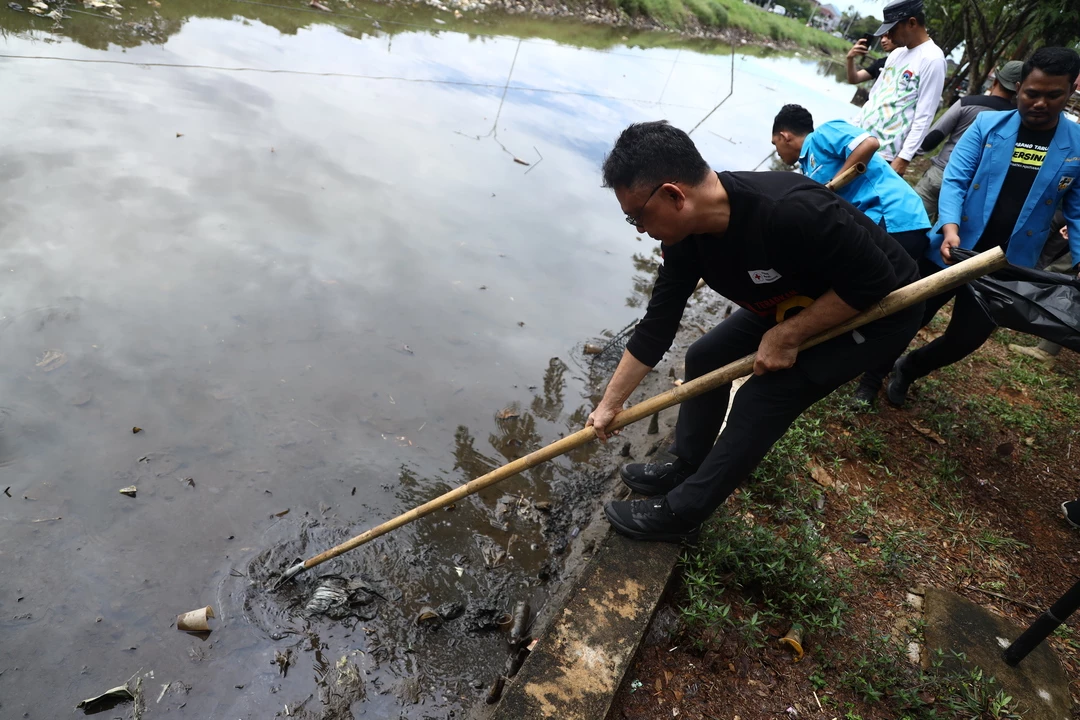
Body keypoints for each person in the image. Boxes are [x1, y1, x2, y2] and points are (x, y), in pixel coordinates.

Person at [588, 121, 923, 542]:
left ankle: (681, 515)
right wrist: (610, 404)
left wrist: (789, 335)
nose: (638, 228)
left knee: (764, 396)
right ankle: (687, 464)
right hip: (793, 299)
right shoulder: (684, 240)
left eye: (637, 216)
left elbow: (874, 282)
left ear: (674, 195)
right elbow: (658, 323)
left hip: (875, 308)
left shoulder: (789, 209)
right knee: (706, 356)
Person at [887, 47, 1080, 407]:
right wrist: (949, 226)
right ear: (1019, 87)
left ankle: (910, 368)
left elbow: (1079, 210)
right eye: (1032, 93)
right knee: (909, 314)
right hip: (953, 245)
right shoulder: (987, 126)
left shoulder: (1076, 146)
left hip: (1008, 263)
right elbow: (956, 180)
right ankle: (870, 376)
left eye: (1053, 95)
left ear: (1069, 92)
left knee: (965, 340)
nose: (1040, 103)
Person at [770, 105, 931, 406]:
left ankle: (865, 379)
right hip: (870, 230)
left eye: (775, 144)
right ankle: (848, 368)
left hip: (892, 219)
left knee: (887, 306)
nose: (777, 151)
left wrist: (828, 193)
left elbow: (868, 144)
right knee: (872, 303)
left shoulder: (824, 133)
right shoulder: (807, 170)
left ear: (784, 135)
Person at [914, 61, 1023, 223]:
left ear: (995, 81)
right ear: (1019, 90)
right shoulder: (1017, 120)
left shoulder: (967, 103)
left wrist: (910, 155)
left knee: (908, 217)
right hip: (973, 186)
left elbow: (935, 135)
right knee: (945, 235)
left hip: (941, 174)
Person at [856, 0, 946, 176]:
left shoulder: (932, 59)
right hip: (860, 138)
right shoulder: (897, 54)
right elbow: (875, 95)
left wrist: (903, 158)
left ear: (912, 23)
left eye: (892, 29)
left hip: (885, 152)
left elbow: (924, 114)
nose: (888, 35)